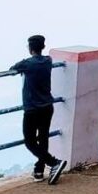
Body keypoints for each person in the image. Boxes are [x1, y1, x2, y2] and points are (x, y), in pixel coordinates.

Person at [11, 36, 66, 185]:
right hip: (48, 106)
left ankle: (53, 162)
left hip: (32, 109)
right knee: (43, 139)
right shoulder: (48, 61)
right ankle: (39, 170)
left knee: (29, 141)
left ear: (30, 49)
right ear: (43, 47)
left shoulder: (27, 64)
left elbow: (13, 68)